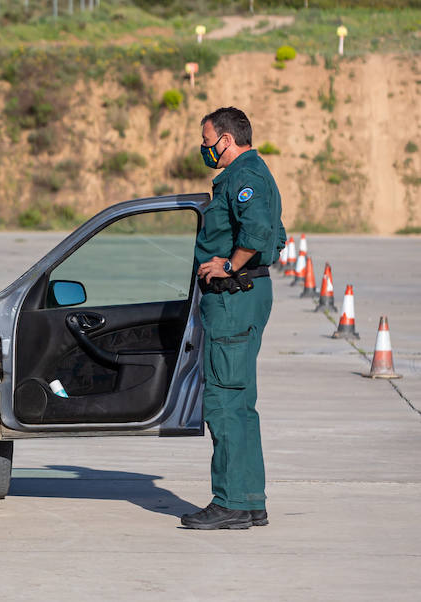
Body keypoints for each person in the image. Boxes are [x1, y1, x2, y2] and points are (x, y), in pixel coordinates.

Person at [181, 107, 286, 530]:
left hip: (233, 298)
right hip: (242, 296)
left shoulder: (245, 177)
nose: (205, 148)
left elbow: (259, 232)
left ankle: (231, 503)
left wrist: (227, 266)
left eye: (208, 142)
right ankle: (249, 499)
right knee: (240, 402)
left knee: (225, 402)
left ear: (227, 138)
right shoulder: (251, 173)